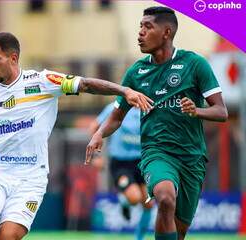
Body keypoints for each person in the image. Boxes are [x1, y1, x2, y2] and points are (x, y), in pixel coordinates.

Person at [0, 32, 153, 240]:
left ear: (13, 58)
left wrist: (124, 91)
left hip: (31, 178)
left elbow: (85, 84)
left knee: (8, 237)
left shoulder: (43, 81)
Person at [85, 6, 228, 240]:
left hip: (192, 156)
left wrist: (197, 111)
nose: (140, 32)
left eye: (147, 26)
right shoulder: (136, 72)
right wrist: (99, 134)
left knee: (180, 230)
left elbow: (221, 111)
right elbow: (116, 117)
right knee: (164, 197)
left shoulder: (195, 64)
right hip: (156, 152)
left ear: (166, 32)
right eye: (140, 26)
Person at [89, 102, 153, 240]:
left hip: (142, 163)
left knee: (149, 204)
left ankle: (139, 238)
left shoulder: (150, 108)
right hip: (121, 163)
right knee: (135, 198)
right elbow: (94, 126)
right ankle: (125, 201)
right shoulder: (116, 107)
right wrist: (96, 156)